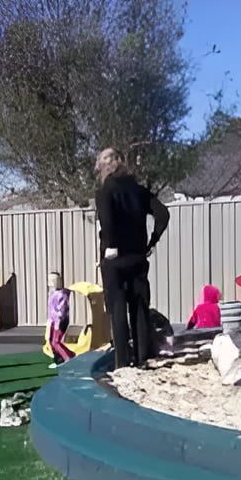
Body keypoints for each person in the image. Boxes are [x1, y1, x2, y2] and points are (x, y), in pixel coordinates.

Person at [94, 147, 170, 369]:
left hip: (115, 261)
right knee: (139, 308)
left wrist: (111, 247)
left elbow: (107, 222)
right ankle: (143, 358)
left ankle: (122, 363)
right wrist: (151, 242)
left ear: (101, 166)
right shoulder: (139, 190)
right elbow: (163, 215)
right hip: (137, 258)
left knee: (117, 310)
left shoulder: (105, 191)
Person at [47, 271, 75, 368]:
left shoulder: (62, 294)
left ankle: (67, 358)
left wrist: (57, 322)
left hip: (60, 321)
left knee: (56, 341)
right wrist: (50, 320)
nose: (50, 283)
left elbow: (62, 311)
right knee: (51, 341)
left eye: (52, 280)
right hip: (53, 320)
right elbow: (51, 308)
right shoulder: (52, 293)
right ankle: (59, 359)